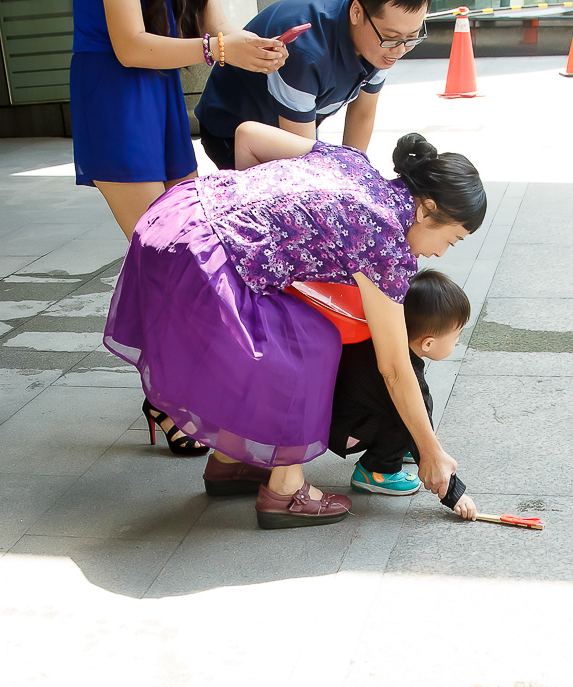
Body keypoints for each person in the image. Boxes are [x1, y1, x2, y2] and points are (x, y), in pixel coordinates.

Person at [103, 123, 486, 528]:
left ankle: (231, 461)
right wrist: (431, 453)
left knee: (293, 327)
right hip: (201, 259)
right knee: (310, 342)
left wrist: (263, 230)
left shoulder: (354, 163)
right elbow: (393, 367)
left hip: (177, 215)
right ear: (426, 209)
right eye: (452, 239)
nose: (442, 253)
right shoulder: (386, 242)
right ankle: (285, 492)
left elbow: (247, 135)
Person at [71, 0, 287, 454]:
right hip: (115, 89)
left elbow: (215, 19)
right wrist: (222, 49)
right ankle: (168, 396)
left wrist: (253, 47)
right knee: (168, 266)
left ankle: (185, 390)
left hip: (159, 84)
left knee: (195, 253)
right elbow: (130, 45)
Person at [195, 0, 429, 170]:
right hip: (232, 130)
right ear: (357, 12)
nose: (399, 51)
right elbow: (303, 163)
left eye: (412, 37)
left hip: (297, 123)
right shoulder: (306, 50)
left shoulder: (379, 44)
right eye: (392, 37)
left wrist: (355, 174)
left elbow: (362, 114)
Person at [329, 269, 478, 520]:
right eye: (457, 335)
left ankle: (394, 450)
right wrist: (455, 495)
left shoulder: (383, 338)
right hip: (342, 431)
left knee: (406, 413)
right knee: (411, 418)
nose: (458, 341)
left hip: (335, 416)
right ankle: (376, 471)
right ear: (428, 343)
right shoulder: (406, 377)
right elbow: (422, 434)